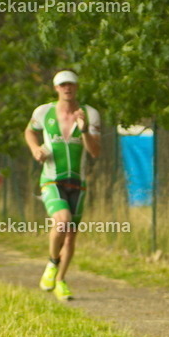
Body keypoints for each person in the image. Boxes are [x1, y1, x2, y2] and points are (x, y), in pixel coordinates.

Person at [24, 70, 101, 300]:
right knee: (62, 222)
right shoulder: (43, 111)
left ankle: (60, 280)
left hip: (78, 181)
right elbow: (29, 131)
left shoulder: (90, 114)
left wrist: (84, 129)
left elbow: (95, 152)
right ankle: (52, 262)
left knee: (71, 236)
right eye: (62, 85)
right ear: (56, 88)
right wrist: (35, 149)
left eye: (71, 85)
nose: (67, 88)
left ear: (77, 87)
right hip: (51, 178)